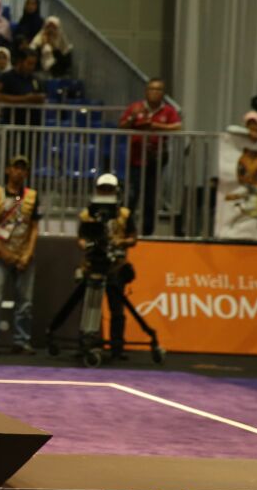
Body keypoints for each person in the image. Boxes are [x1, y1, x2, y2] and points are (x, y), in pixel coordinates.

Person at [0, 156, 41, 355]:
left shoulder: (32, 196)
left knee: (25, 302)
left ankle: (21, 341)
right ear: (8, 170)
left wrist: (28, 254)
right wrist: (3, 252)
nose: (19, 172)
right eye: (16, 168)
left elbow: (34, 227)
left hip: (23, 255)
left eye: (23, 169)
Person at [77, 174, 137, 360]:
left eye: (109, 189)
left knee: (117, 308)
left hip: (116, 266)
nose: (106, 192)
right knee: (90, 306)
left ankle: (117, 347)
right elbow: (81, 237)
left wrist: (120, 241)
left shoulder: (124, 214)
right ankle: (87, 345)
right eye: (103, 189)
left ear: (115, 191)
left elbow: (133, 238)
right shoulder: (87, 214)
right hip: (93, 264)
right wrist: (88, 245)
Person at [118, 78, 181, 236]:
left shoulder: (168, 110)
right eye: (152, 89)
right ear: (146, 91)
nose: (154, 92)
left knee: (151, 197)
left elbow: (177, 126)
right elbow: (122, 126)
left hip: (156, 159)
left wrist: (156, 127)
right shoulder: (135, 107)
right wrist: (132, 119)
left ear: (163, 93)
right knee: (131, 196)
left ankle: (147, 232)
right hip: (136, 159)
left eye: (158, 89)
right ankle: (126, 229)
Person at [0, 48, 45, 126]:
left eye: (33, 64)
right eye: (29, 63)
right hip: (12, 124)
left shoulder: (36, 79)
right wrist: (26, 98)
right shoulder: (7, 77)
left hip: (33, 126)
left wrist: (37, 98)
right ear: (20, 62)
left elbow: (42, 97)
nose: (31, 67)